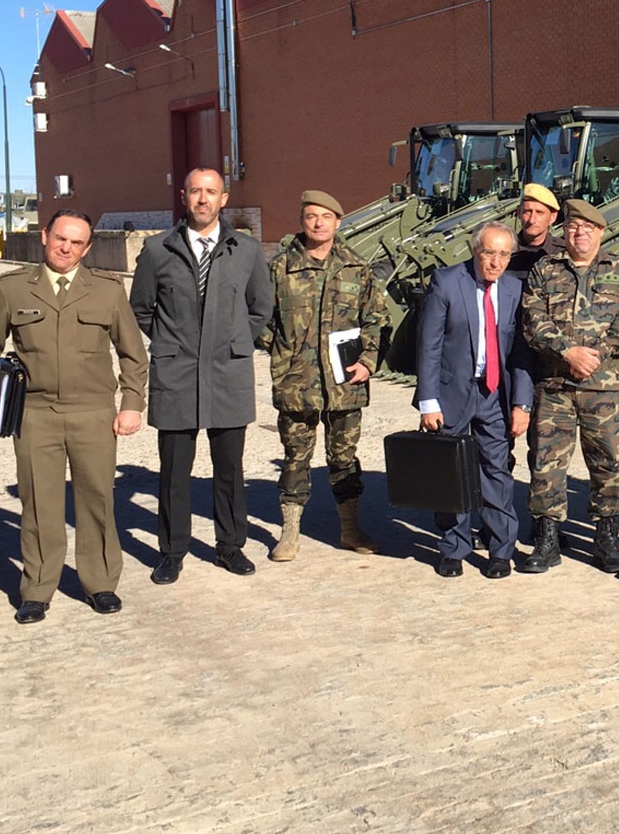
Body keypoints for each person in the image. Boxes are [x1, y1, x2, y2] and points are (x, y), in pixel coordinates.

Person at [0, 209, 148, 623]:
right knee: (38, 503)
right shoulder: (14, 289)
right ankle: (37, 587)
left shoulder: (107, 290)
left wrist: (132, 405)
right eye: (59, 238)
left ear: (87, 248)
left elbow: (133, 354)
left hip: (92, 414)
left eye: (76, 242)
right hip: (35, 414)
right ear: (45, 235)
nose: (66, 247)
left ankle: (100, 583)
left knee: (97, 500)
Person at [130, 167, 275, 583]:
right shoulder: (158, 250)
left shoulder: (245, 250)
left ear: (223, 199)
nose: (203, 199)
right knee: (175, 470)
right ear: (183, 196)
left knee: (229, 468)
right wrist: (172, 343)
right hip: (176, 375)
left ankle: (230, 546)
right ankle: (172, 551)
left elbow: (260, 308)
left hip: (228, 373)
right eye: (196, 191)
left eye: (211, 192)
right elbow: (141, 307)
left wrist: (233, 340)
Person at [257, 190, 387, 563]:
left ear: (338, 223)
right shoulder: (280, 268)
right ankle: (290, 532)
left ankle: (350, 529)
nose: (318, 223)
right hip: (296, 382)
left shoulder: (355, 268)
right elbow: (258, 317)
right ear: (302, 220)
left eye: (325, 217)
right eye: (311, 216)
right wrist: (280, 348)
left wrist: (368, 361)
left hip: (345, 383)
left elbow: (376, 320)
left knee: (344, 458)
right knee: (295, 457)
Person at [518, 198, 619, 574]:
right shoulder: (544, 269)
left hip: (605, 386)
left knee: (608, 464)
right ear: (563, 231)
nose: (579, 232)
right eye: (572, 227)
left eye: (587, 227)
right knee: (547, 464)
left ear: (600, 231)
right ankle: (547, 538)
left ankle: (606, 538)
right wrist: (568, 352)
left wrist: (593, 355)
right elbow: (533, 322)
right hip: (555, 385)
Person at [414, 222, 535, 578]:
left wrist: (521, 403)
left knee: (496, 471)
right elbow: (429, 345)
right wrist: (428, 400)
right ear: (474, 251)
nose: (495, 262)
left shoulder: (514, 289)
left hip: (496, 394)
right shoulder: (447, 282)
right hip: (452, 392)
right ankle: (454, 547)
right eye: (489, 253)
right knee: (452, 472)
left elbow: (521, 353)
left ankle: (501, 549)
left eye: (503, 254)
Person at [507, 183, 565, 277]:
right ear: (519, 213)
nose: (532, 220)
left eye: (539, 213)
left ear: (553, 217)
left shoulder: (563, 252)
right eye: (527, 212)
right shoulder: (505, 250)